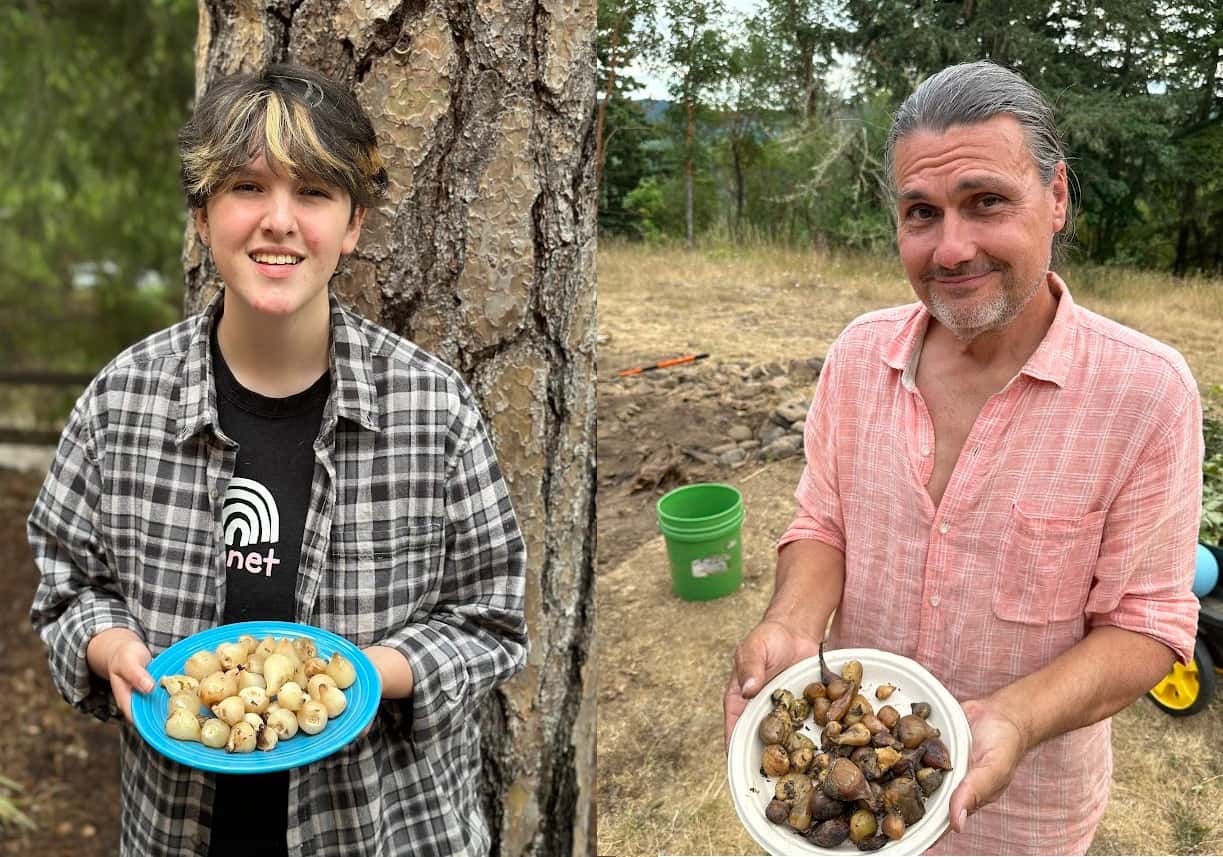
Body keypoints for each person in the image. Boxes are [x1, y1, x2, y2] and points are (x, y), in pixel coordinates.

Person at [28, 63, 527, 857]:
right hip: (174, 829)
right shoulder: (119, 403)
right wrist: (107, 644)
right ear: (202, 214)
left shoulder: (431, 410)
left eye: (315, 193)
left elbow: (491, 618)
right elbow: (66, 586)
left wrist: (371, 674)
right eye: (247, 188)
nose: (279, 222)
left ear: (354, 223)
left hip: (383, 833)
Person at [723, 60, 1203, 855]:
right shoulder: (857, 355)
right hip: (847, 791)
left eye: (985, 202)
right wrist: (788, 625)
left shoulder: (1146, 393)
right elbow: (824, 523)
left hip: (1027, 815)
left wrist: (1014, 716)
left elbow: (1146, 625)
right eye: (921, 213)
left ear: (1055, 197)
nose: (950, 249)